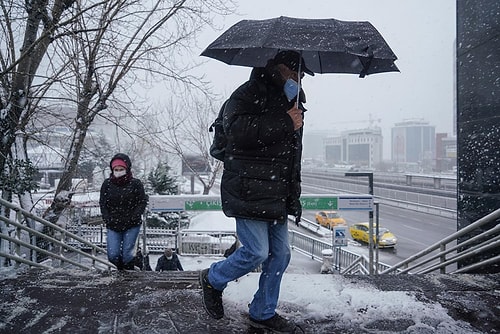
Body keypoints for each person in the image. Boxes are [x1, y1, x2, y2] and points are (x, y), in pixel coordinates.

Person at [200, 50, 312, 333]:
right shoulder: (248, 93)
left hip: (275, 190)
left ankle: (262, 311)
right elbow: (236, 130)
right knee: (256, 252)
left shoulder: (294, 100)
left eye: (302, 75)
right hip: (248, 187)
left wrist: (292, 193)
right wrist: (286, 122)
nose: (299, 79)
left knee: (281, 255)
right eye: (295, 72)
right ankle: (213, 278)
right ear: (279, 68)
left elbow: (290, 155)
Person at [99, 153, 148, 270]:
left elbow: (142, 201)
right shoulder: (107, 184)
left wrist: (135, 216)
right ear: (112, 170)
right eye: (116, 169)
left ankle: (129, 272)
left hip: (131, 224)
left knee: (127, 255)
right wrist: (107, 218)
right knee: (112, 255)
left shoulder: (135, 184)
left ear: (127, 169)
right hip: (113, 224)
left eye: (121, 169)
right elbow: (103, 203)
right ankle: (124, 270)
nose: (119, 171)